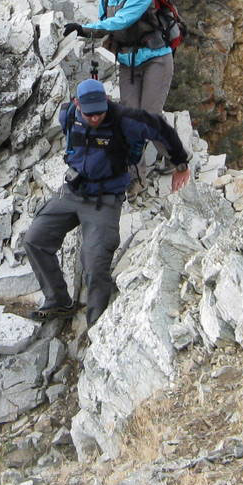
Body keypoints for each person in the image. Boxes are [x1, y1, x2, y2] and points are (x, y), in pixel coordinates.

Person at [21, 78, 190, 324]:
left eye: (99, 112)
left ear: (106, 101)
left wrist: (181, 163)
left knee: (95, 264)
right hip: (72, 191)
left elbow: (161, 128)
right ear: (77, 104)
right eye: (89, 113)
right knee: (34, 240)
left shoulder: (125, 119)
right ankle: (58, 300)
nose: (95, 118)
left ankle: (96, 327)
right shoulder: (68, 114)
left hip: (105, 199)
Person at [64, 0, 174, 117]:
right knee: (129, 116)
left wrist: (84, 28)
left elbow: (122, 20)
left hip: (156, 59)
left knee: (150, 116)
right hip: (127, 62)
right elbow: (105, 24)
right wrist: (80, 32)